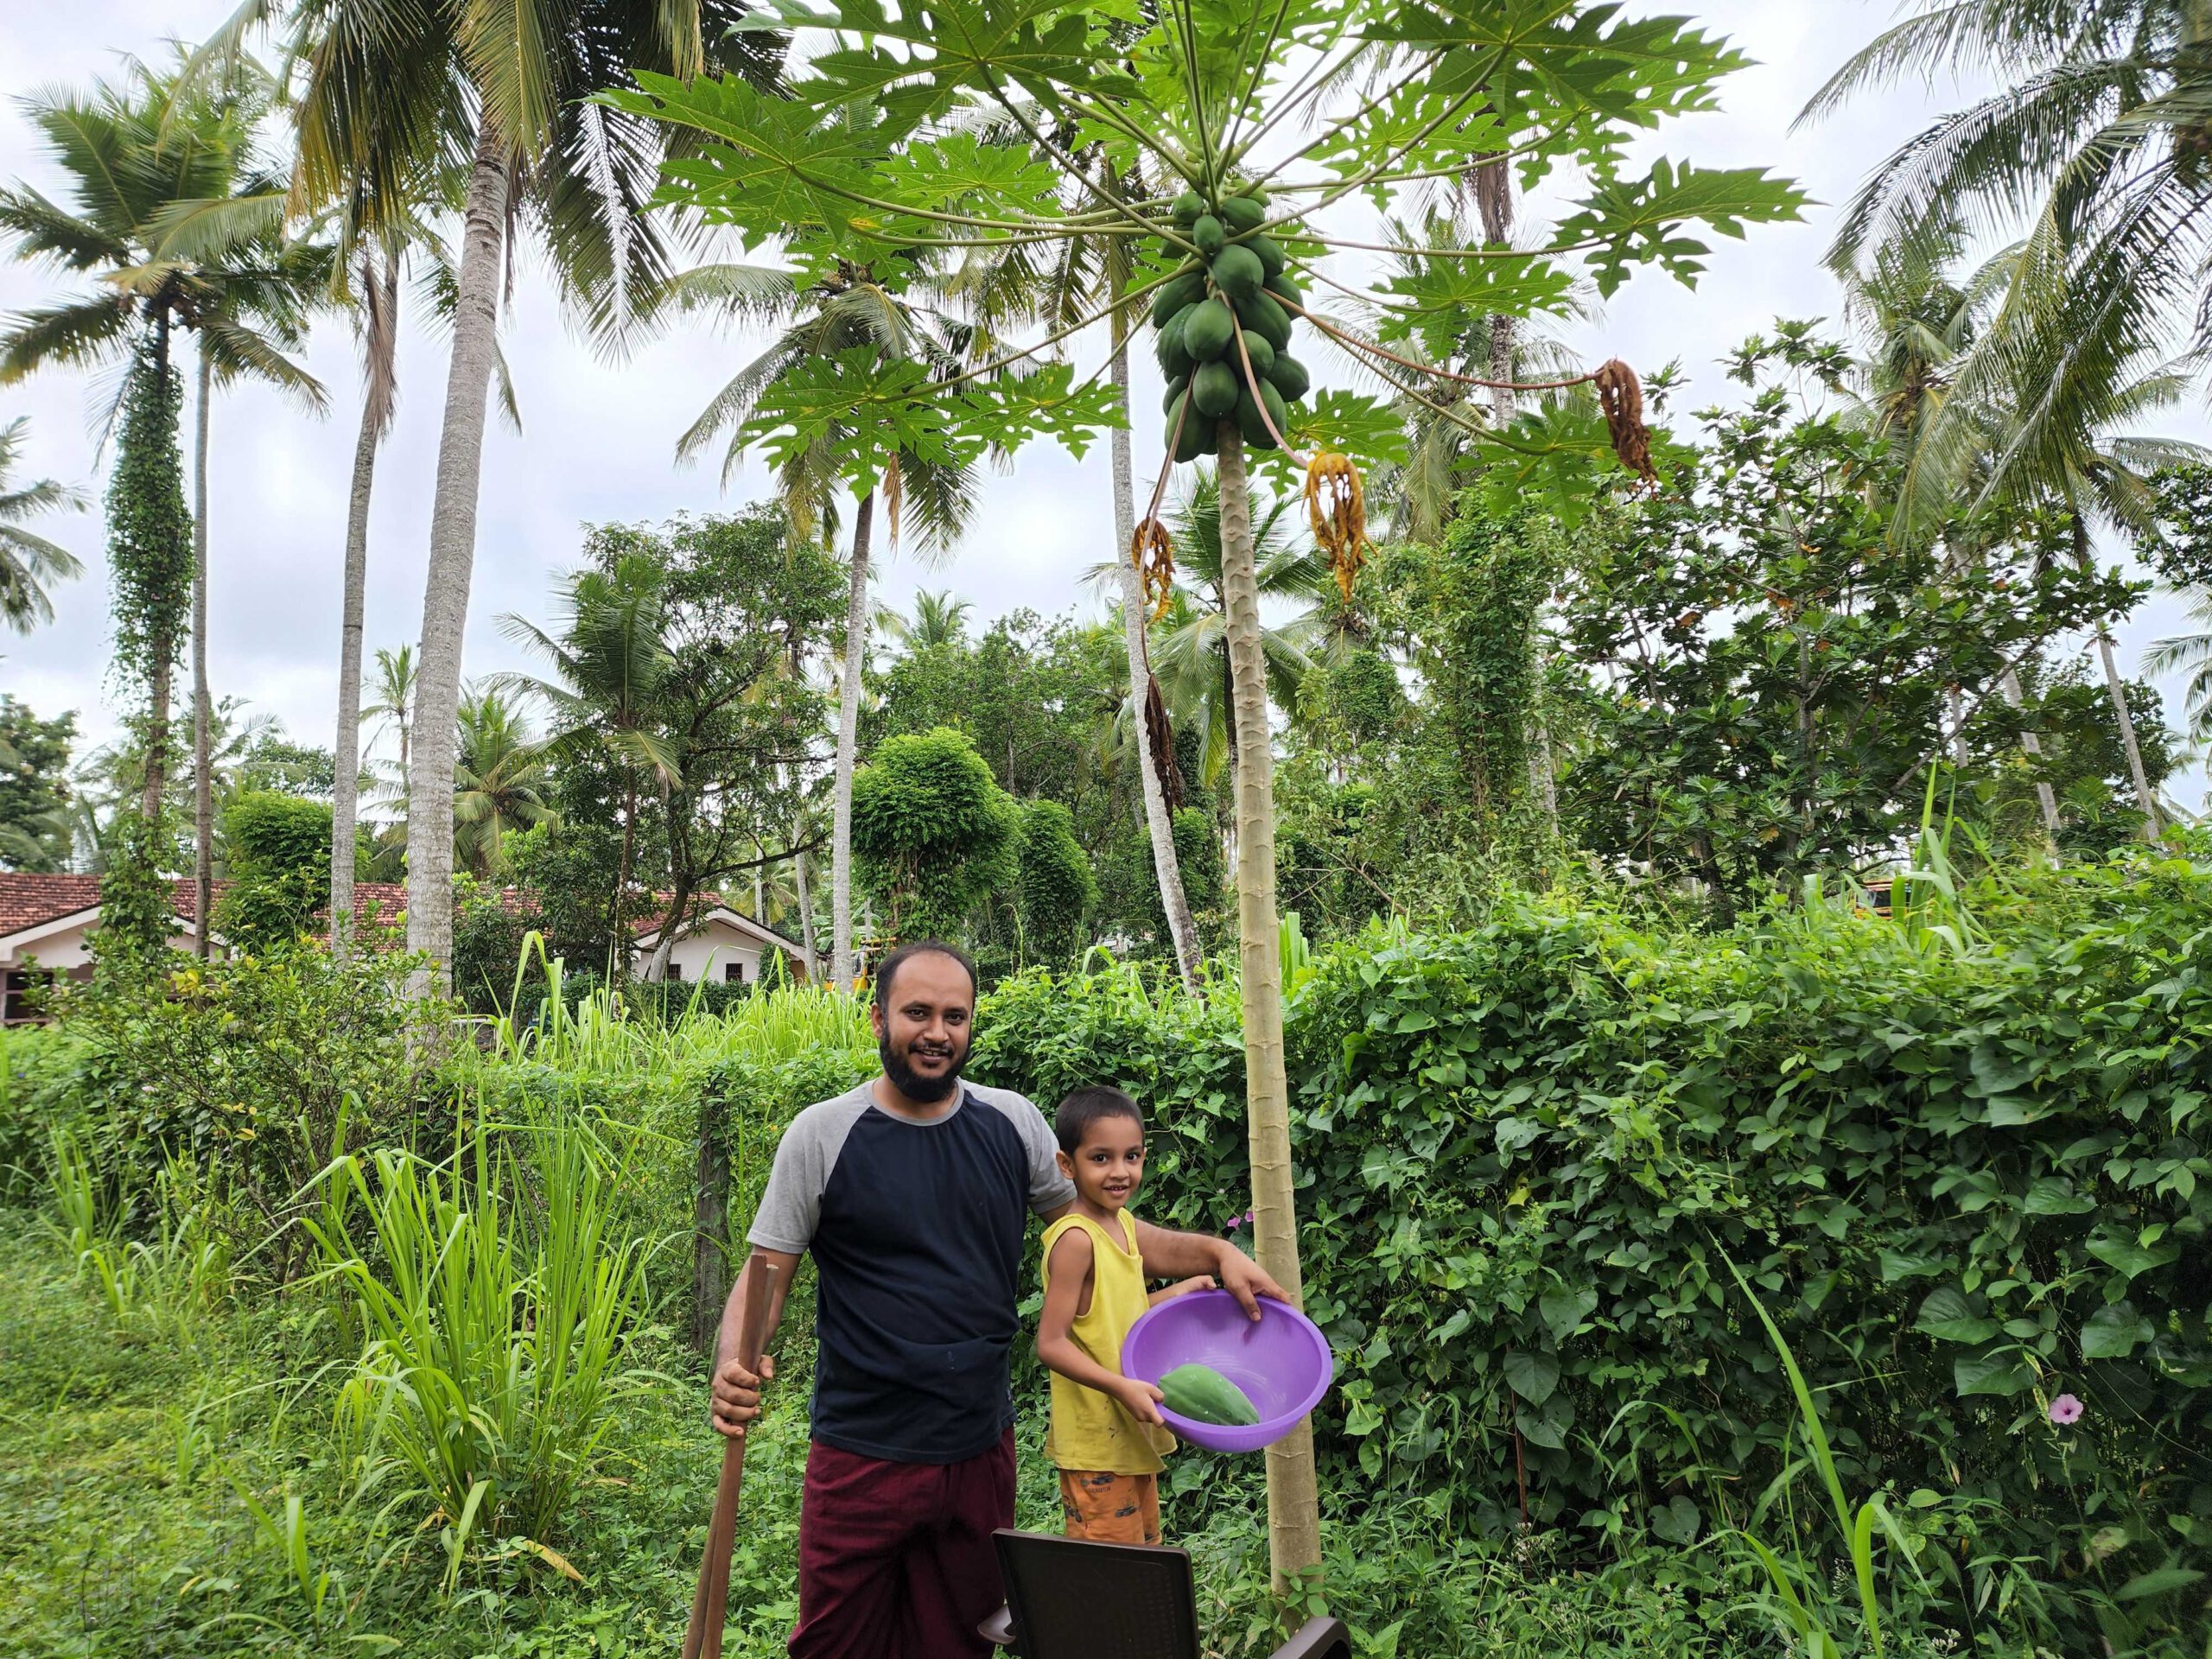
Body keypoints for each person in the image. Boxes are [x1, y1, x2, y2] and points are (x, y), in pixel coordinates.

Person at [709, 940, 1287, 1659]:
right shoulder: (822, 1135)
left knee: (959, 1641)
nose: (936, 1032)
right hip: (862, 1450)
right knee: (834, 1645)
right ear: (876, 1018)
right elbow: (767, 1271)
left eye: (955, 1015)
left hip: (977, 1448)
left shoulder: (1010, 1124)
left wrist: (1217, 1252)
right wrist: (733, 1364)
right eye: (917, 1012)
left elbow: (1103, 1236)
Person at [1036, 1085, 1212, 1547]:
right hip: (1097, 1444)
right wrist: (1120, 1386)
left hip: (1129, 1436)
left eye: (1131, 1156)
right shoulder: (1075, 1239)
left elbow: (1116, 1318)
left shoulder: (1125, 1226)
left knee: (1144, 1558)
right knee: (1114, 1575)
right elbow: (1051, 1343)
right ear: (1066, 1165)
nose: (1120, 1172)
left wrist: (1180, 1291)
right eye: (1101, 1158)